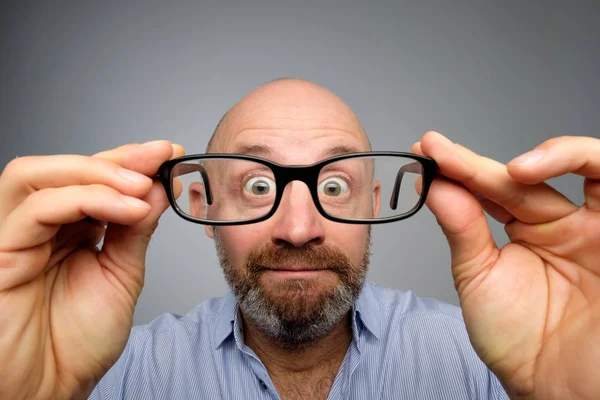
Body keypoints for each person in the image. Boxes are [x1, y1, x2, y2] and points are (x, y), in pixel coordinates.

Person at [0, 78, 597, 400]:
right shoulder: (116, 379)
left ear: (371, 202)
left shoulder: (485, 368)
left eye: (334, 186)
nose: (298, 228)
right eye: (258, 185)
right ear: (202, 205)